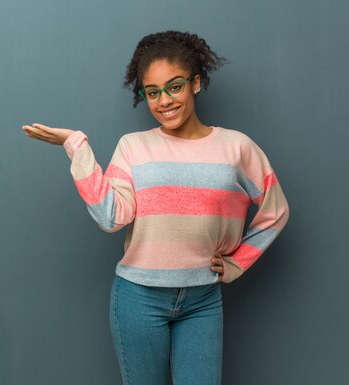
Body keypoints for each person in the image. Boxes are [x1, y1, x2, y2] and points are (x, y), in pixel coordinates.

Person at [21, 30, 289, 385]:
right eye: (152, 92)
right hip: (138, 299)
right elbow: (110, 217)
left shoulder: (237, 148)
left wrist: (237, 262)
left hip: (203, 300)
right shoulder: (133, 147)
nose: (164, 100)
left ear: (195, 82)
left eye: (174, 86)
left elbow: (275, 212)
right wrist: (77, 147)